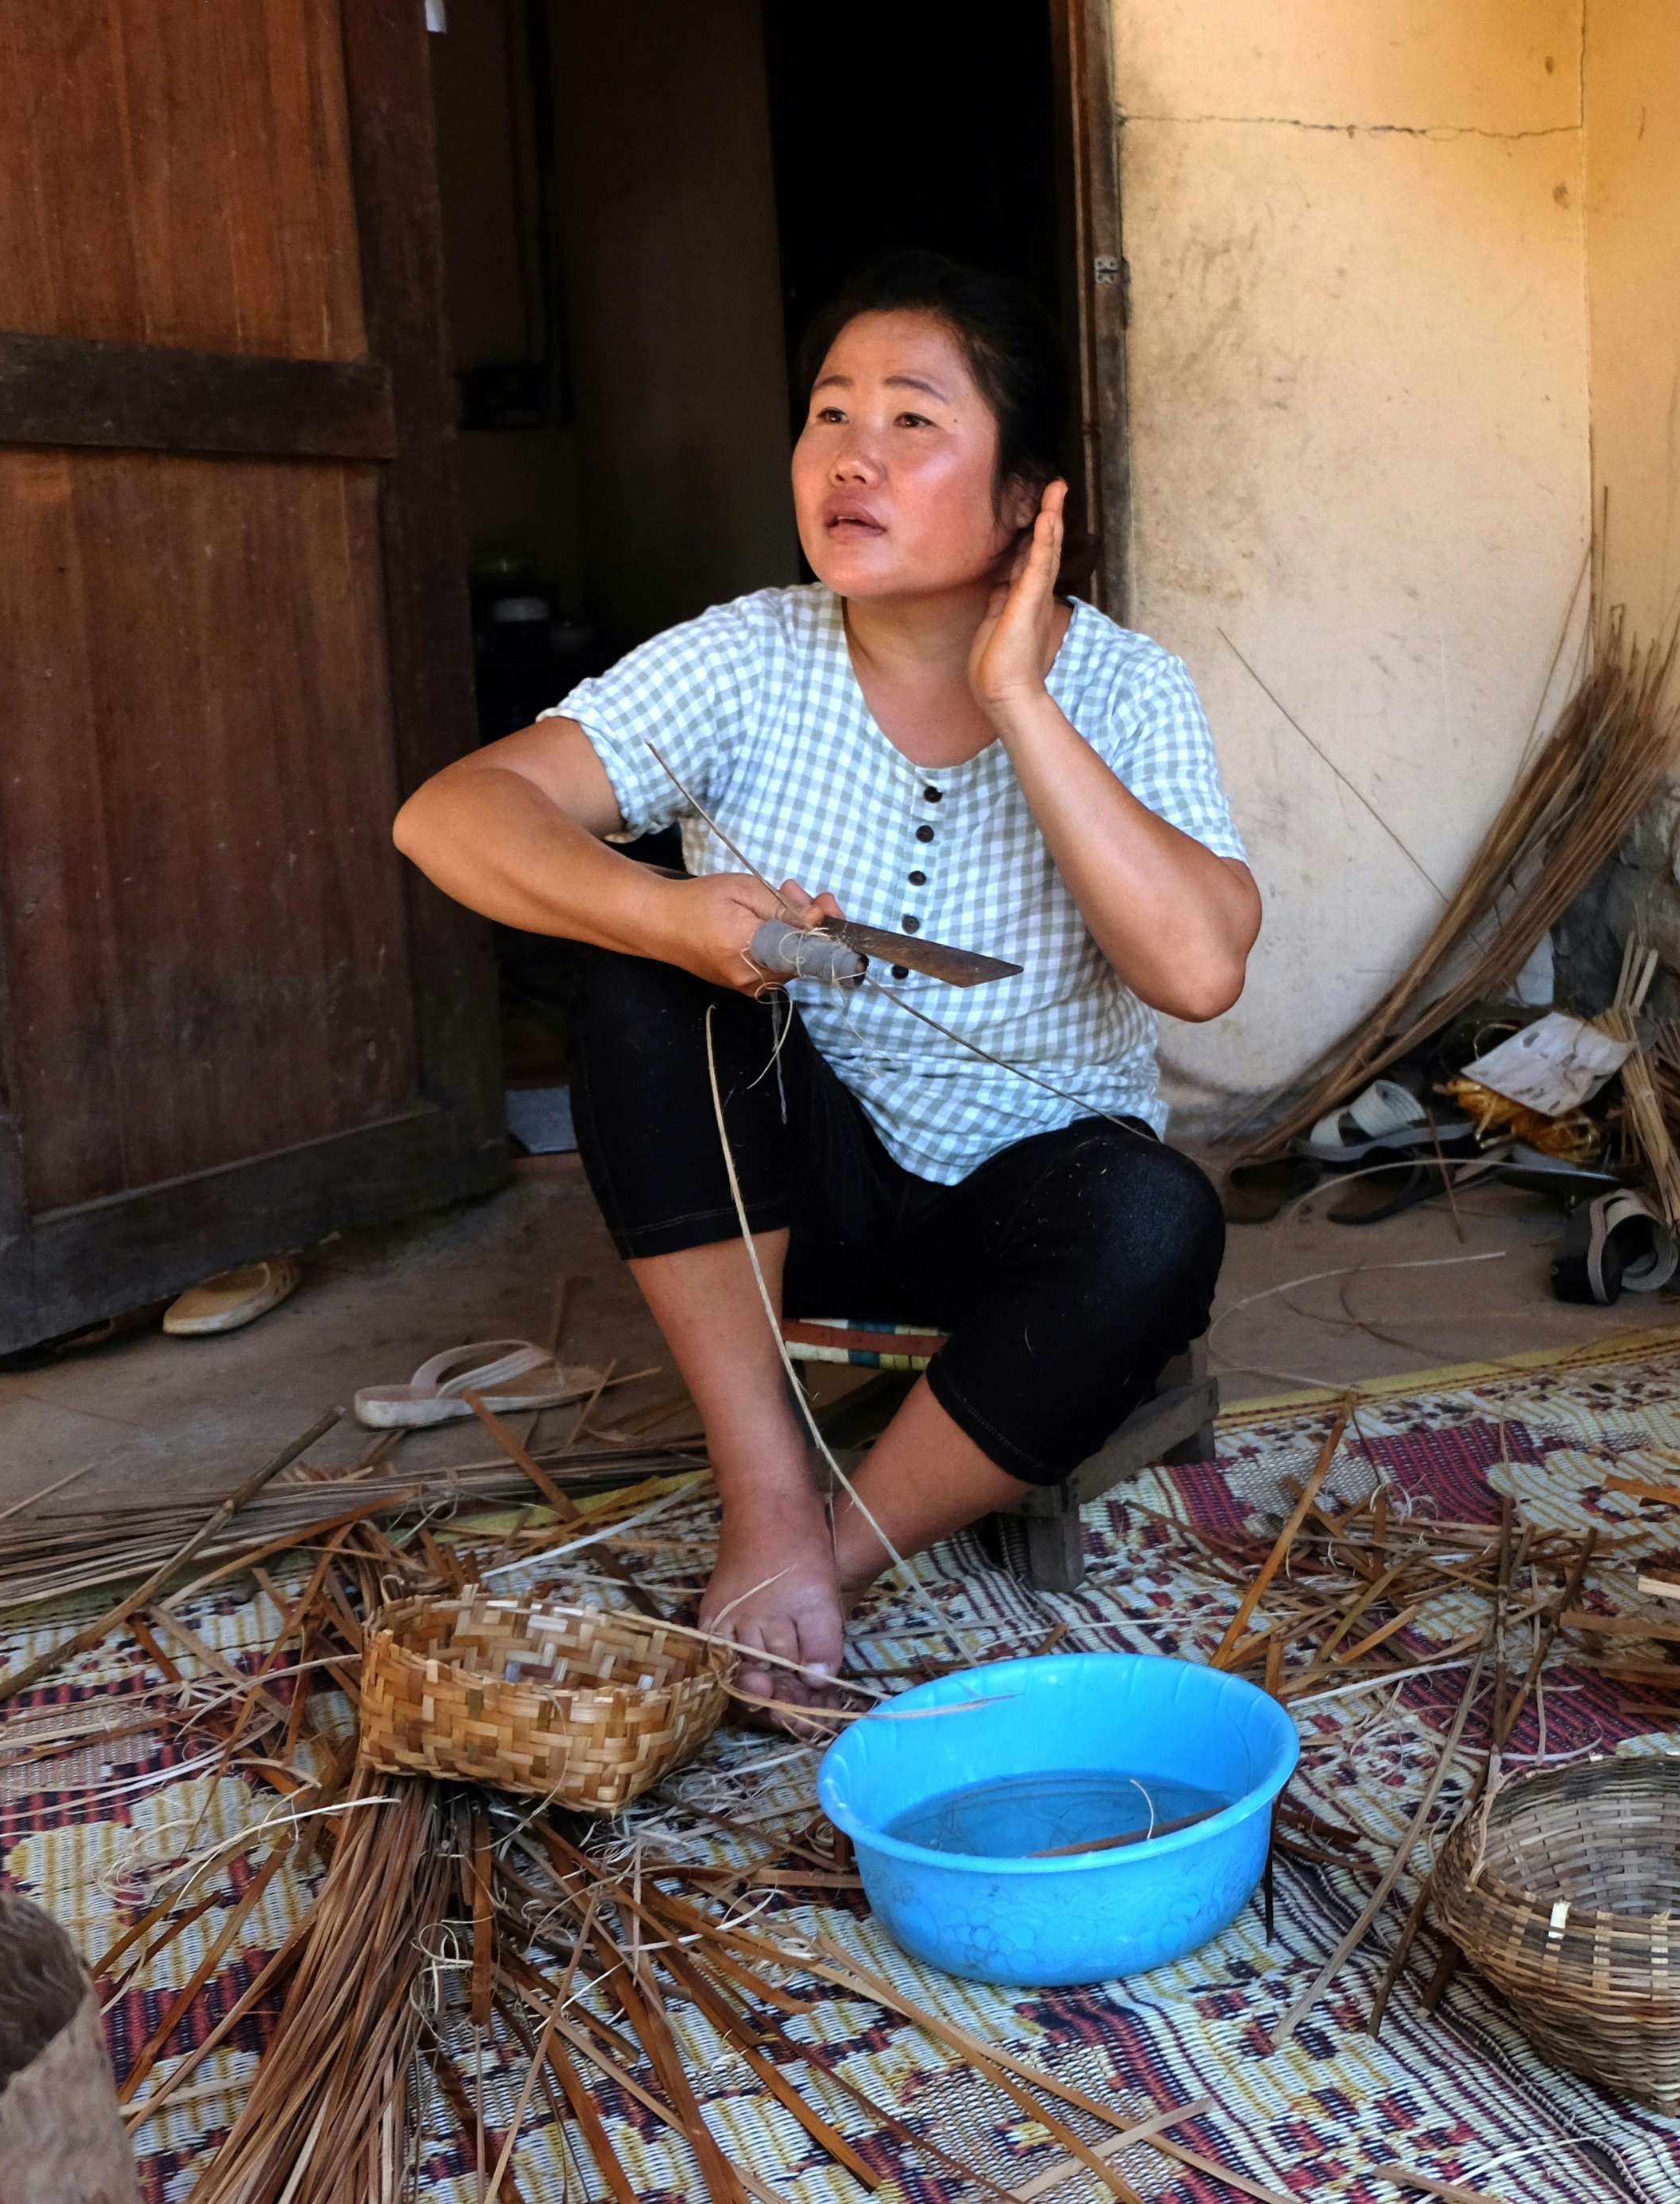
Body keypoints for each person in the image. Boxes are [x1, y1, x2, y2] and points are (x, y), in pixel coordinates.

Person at [390, 252, 1261, 1713]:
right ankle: (767, 1501)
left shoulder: (1124, 685)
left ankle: (833, 1561)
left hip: (1030, 1227)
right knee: (639, 989)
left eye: (914, 421)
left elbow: (1197, 968)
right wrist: (663, 913)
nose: (853, 455)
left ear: (1027, 500)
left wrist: (1017, 701)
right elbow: (451, 815)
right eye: (829, 412)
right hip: (801, 1208)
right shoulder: (748, 660)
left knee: (1160, 1219)